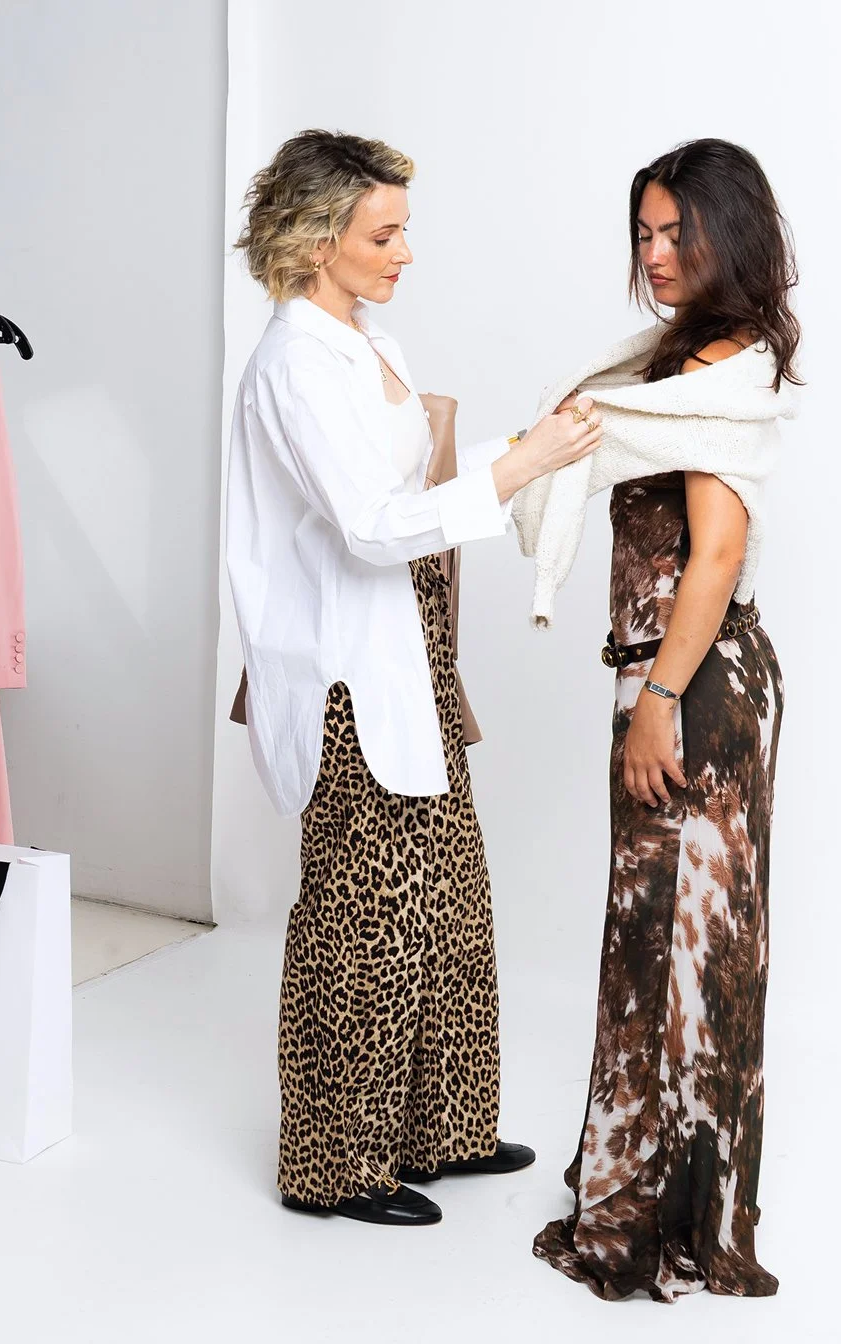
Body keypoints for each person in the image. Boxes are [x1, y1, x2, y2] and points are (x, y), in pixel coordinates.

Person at [226, 129, 602, 1227]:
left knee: (445, 901)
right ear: (317, 240)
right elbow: (370, 525)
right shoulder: (294, 365)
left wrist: (525, 445)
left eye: (404, 232)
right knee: (364, 919)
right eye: (383, 234)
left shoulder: (363, 338)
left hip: (416, 654)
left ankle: (441, 1130)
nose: (404, 253)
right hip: (348, 675)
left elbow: (413, 484)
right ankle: (334, 1165)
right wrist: (521, 468)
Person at [526, 138, 799, 1298]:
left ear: (723, 234)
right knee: (663, 946)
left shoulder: (713, 367)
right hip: (684, 678)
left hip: (692, 685)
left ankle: (665, 1220)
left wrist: (654, 705)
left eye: (674, 232)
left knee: (679, 954)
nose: (653, 254)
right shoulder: (687, 358)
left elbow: (715, 553)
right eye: (641, 233)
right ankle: (659, 1193)